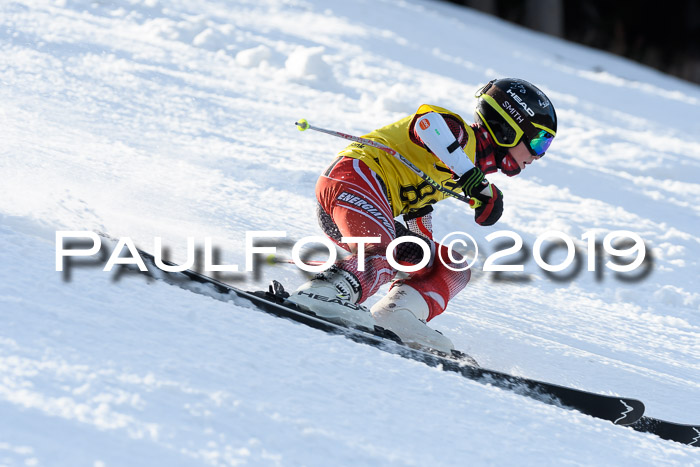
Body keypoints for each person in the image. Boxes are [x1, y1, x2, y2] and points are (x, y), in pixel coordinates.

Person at [287, 78, 558, 353]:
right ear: (509, 129)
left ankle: (397, 315)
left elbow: (417, 208)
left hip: (369, 207)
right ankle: (322, 293)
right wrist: (475, 181)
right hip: (352, 180)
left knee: (451, 265)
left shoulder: (462, 168)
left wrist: (421, 261)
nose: (538, 156)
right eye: (539, 141)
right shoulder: (459, 134)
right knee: (386, 248)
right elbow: (426, 124)